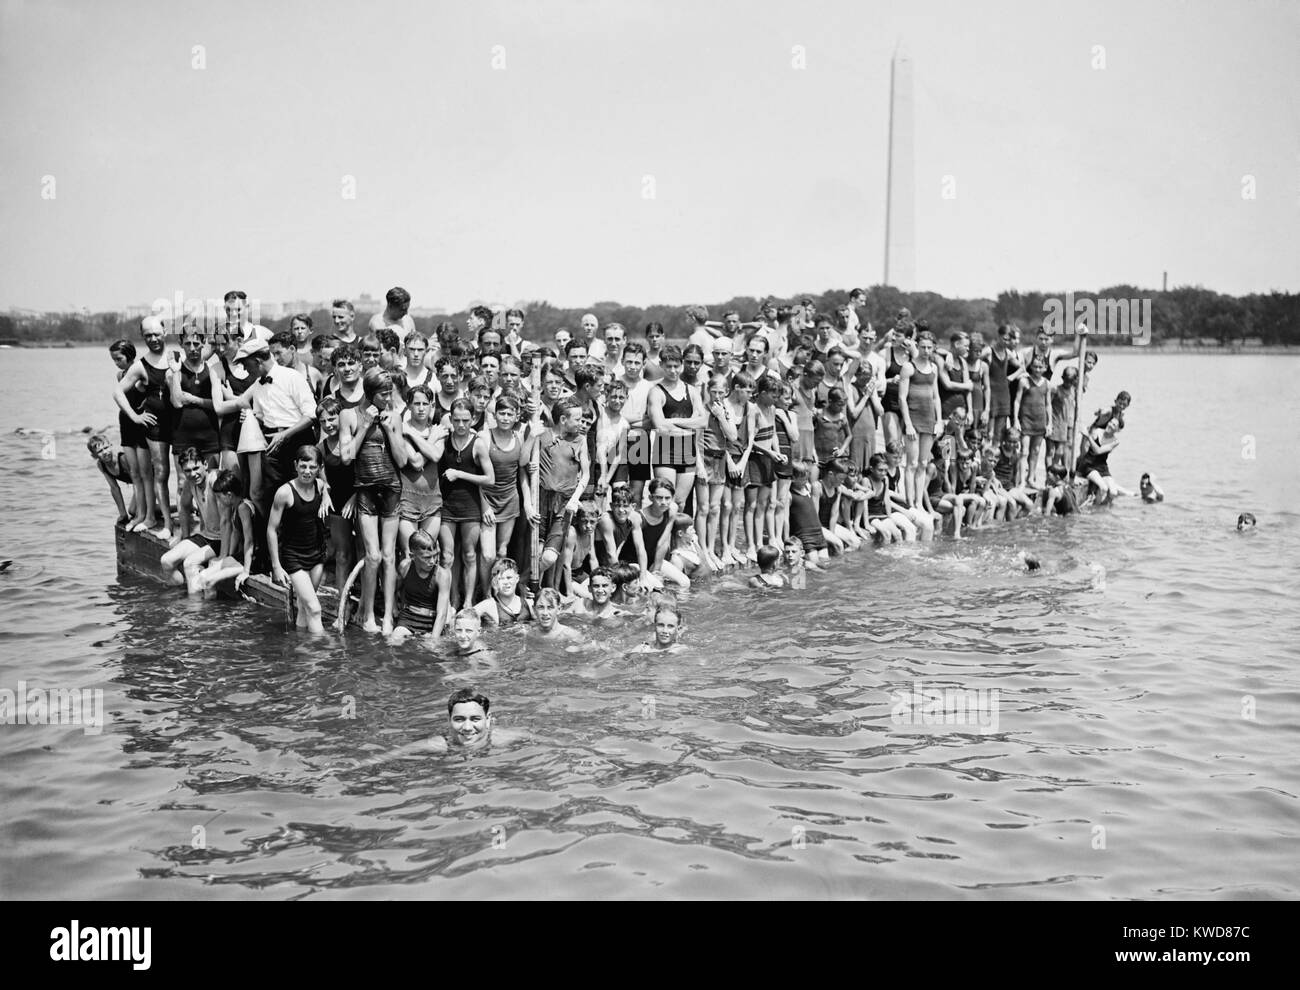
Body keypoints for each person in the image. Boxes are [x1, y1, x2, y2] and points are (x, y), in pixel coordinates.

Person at [339, 367, 408, 634]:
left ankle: (389, 616)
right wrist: (365, 427)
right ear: (369, 393)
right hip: (365, 490)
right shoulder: (350, 415)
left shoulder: (394, 416)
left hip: (391, 489)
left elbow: (402, 461)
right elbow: (346, 457)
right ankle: (367, 614)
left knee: (390, 556)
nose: (388, 398)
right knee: (373, 555)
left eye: (390, 393)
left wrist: (390, 430)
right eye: (383, 394)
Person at [113, 317, 176, 537]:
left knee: (186, 476)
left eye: (156, 333)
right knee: (161, 473)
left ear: (165, 332)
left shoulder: (177, 356)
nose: (153, 338)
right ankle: (165, 523)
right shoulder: (141, 365)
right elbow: (118, 392)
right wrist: (135, 417)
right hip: (155, 426)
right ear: (143, 337)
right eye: (148, 335)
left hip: (178, 424)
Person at [525, 397, 589, 589]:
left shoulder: (580, 441)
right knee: (535, 550)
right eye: (577, 419)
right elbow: (522, 464)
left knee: (550, 557)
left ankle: (522, 580)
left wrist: (575, 499)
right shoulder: (541, 435)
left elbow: (585, 475)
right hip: (540, 500)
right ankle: (531, 590)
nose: (581, 423)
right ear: (563, 420)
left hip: (564, 504)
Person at [267, 445, 329, 633]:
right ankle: (323, 655)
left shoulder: (319, 486)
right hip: (294, 558)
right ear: (295, 465)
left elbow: (326, 485)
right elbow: (271, 529)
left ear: (319, 468)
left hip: (317, 555)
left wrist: (326, 494)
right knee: (315, 609)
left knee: (304, 607)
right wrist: (276, 566)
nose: (307, 472)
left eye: (312, 467)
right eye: (303, 466)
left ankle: (303, 653)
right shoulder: (284, 493)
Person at [647, 346, 707, 508]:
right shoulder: (656, 392)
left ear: (681, 365)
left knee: (680, 502)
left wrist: (672, 421)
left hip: (687, 449)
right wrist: (688, 425)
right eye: (668, 367)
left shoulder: (692, 390)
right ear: (661, 365)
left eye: (676, 366)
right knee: (665, 502)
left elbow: (703, 422)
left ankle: (677, 534)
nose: (673, 371)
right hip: (665, 449)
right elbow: (660, 426)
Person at [161, 447, 220, 592]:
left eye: (196, 468)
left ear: (205, 464)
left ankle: (194, 610)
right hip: (205, 535)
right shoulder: (190, 483)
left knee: (190, 564)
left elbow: (230, 516)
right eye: (187, 470)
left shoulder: (215, 480)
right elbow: (184, 506)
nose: (193, 474)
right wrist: (185, 536)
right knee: (166, 561)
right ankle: (181, 595)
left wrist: (225, 555)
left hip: (222, 539)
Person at [196, 469, 261, 595]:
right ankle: (209, 610)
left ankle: (212, 613)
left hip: (253, 560)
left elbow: (249, 541)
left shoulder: (243, 508)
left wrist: (246, 571)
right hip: (241, 557)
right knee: (203, 575)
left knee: (208, 580)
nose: (218, 500)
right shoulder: (235, 508)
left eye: (219, 497)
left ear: (229, 495)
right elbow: (235, 534)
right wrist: (229, 558)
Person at [899, 330, 942, 507]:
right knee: (912, 463)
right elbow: (902, 398)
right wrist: (908, 424)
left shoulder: (934, 368)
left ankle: (918, 502)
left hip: (929, 419)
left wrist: (939, 421)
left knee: (924, 462)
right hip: (914, 418)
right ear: (917, 346)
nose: (925, 350)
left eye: (929, 347)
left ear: (933, 348)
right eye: (922, 347)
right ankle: (910, 503)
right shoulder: (909, 367)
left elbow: (936, 397)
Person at [389, 529, 452, 643]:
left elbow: (442, 613)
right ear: (412, 556)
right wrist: (393, 610)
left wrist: (434, 640)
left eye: (435, 556)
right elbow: (392, 590)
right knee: (393, 642)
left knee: (431, 650)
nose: (432, 561)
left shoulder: (442, 575)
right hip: (408, 618)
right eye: (426, 558)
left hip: (432, 621)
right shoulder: (405, 567)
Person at [1014, 355, 1053, 488]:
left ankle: (1031, 478)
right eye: (1035, 366)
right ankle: (1022, 481)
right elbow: (1017, 401)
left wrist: (1050, 424)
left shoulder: (1047, 383)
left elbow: (1048, 404)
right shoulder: (1024, 381)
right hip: (1026, 420)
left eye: (1040, 367)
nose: (1037, 369)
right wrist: (1015, 420)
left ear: (1045, 368)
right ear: (1031, 367)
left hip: (1040, 421)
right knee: (1024, 451)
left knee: (1035, 450)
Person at [88, 433, 136, 525]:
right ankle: (169, 509)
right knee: (134, 511)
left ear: (111, 446)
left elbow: (138, 481)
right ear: (94, 456)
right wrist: (123, 514)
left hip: (149, 479)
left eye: (106, 448)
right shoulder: (101, 465)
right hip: (140, 485)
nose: (105, 452)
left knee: (133, 511)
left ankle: (171, 508)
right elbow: (114, 488)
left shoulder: (122, 458)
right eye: (100, 451)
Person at [474, 557, 531, 627]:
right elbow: (465, 616)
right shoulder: (489, 605)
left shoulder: (528, 604)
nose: (506, 582)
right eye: (501, 579)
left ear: (517, 579)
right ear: (495, 582)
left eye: (509, 578)